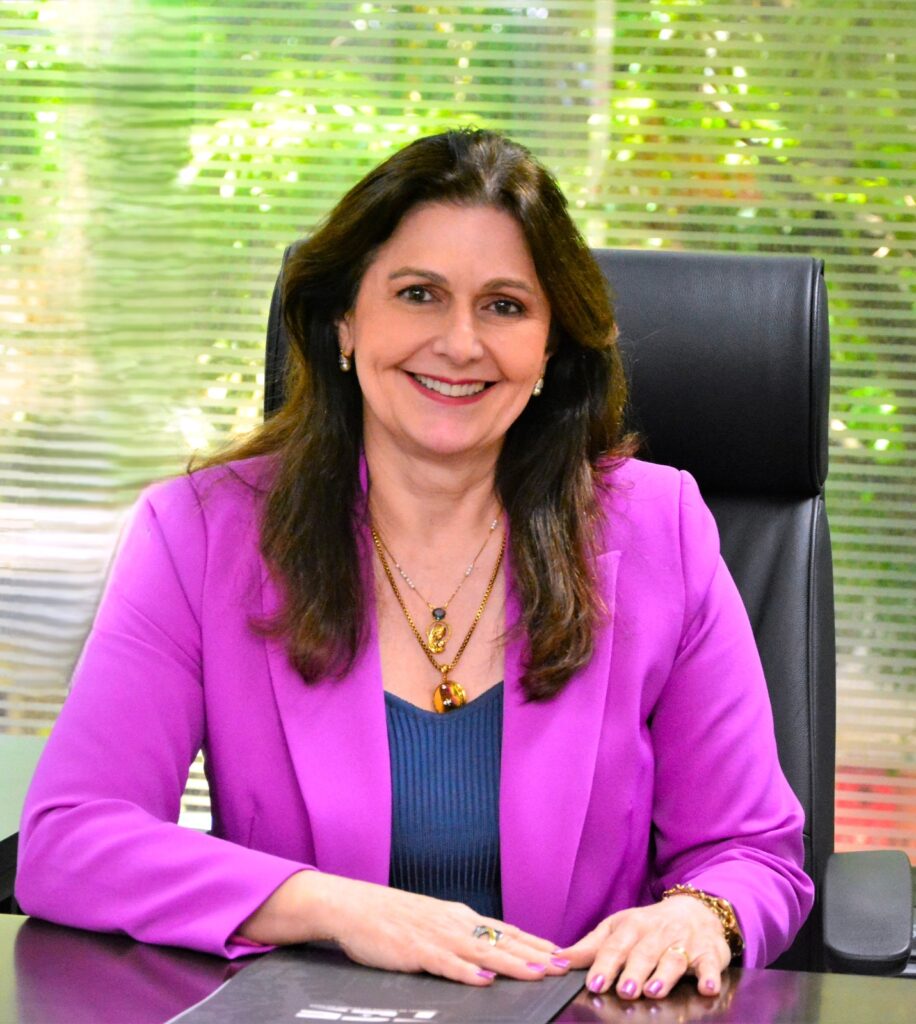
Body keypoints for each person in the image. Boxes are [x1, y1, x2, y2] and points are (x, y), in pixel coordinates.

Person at [16, 128, 813, 1002]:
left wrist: (698, 914)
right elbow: (72, 837)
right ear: (345, 321)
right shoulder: (202, 533)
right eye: (419, 294)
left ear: (550, 347)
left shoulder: (661, 527)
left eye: (504, 306)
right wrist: (332, 908)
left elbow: (751, 851)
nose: (460, 343)